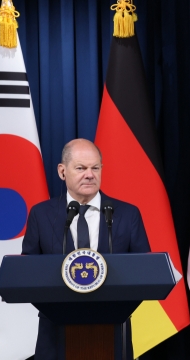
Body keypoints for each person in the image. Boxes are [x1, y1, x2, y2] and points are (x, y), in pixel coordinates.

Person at [22, 138, 150, 360]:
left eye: (95, 168)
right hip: (55, 334)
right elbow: (28, 271)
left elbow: (145, 270)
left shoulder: (127, 214)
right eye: (80, 168)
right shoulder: (41, 215)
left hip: (112, 332)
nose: (89, 174)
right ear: (62, 171)